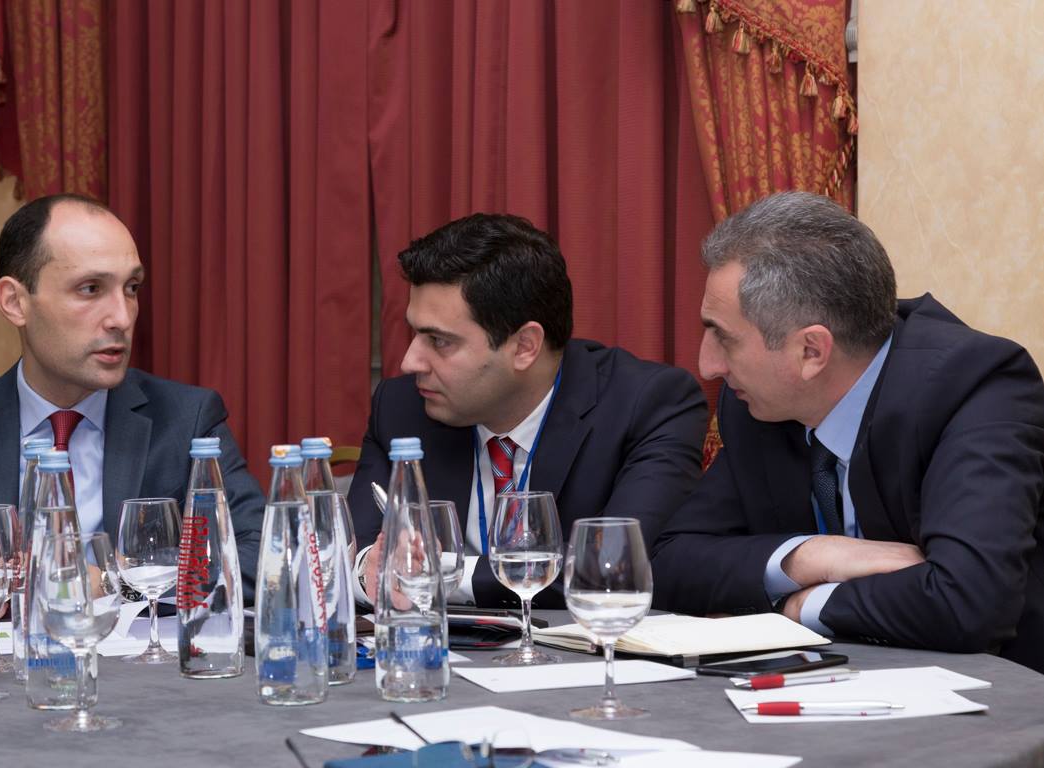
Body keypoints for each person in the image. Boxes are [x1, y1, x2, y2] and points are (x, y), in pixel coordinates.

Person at [651, 191, 1044, 672]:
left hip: (1002, 695)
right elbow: (669, 563)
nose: (707, 365)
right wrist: (810, 558)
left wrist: (798, 608)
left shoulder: (975, 387)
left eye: (724, 338)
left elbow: (969, 602)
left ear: (811, 352)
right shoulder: (757, 405)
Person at [0, 194, 265, 628]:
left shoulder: (186, 419)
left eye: (131, 288)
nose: (122, 317)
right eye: (90, 289)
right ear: (15, 302)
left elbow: (259, 557)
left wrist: (115, 581)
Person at [349, 213, 708, 608]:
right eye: (415, 333)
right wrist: (370, 571)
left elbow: (610, 565)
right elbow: (357, 550)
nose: (410, 361)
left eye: (439, 341)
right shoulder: (402, 407)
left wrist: (441, 576)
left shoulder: (646, 406)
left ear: (524, 347)